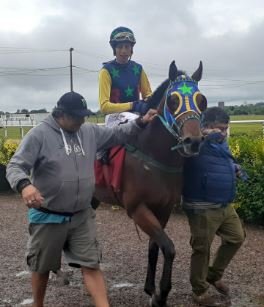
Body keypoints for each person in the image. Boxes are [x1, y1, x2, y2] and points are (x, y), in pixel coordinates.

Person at [6, 91, 157, 307]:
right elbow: (15, 165)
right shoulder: (39, 134)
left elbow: (118, 134)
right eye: (77, 116)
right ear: (61, 114)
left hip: (81, 215)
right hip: (49, 215)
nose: (81, 120)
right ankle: (37, 304)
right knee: (41, 267)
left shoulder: (88, 131)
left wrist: (141, 122)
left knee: (91, 264)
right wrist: (24, 185)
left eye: (84, 116)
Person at [182, 107, 246, 306]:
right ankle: (199, 291)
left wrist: (234, 168)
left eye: (226, 129)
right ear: (206, 126)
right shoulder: (194, 143)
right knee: (202, 248)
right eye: (220, 128)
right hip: (202, 206)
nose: (224, 132)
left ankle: (213, 275)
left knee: (237, 237)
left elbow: (219, 161)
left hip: (224, 203)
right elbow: (184, 153)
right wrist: (202, 137)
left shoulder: (221, 142)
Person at [99, 26, 152, 127]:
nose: (123, 51)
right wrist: (133, 105)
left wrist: (149, 101)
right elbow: (104, 106)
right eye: (120, 47)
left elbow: (148, 95)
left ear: (131, 49)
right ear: (114, 49)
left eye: (127, 47)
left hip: (136, 115)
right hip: (114, 118)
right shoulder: (106, 71)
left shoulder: (138, 68)